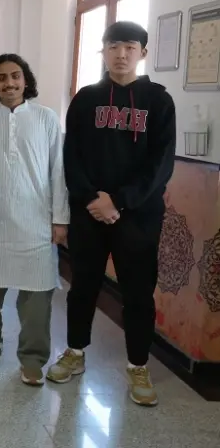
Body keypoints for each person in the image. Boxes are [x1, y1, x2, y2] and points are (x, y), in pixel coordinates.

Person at [49, 21, 176, 407]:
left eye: (130, 47)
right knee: (83, 287)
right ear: (103, 51)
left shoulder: (159, 101)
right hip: (89, 213)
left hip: (137, 216)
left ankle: (138, 365)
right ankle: (75, 351)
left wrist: (119, 201)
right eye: (114, 46)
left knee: (138, 293)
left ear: (143, 53)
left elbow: (161, 164)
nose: (121, 54)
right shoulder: (86, 99)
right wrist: (92, 199)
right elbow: (71, 156)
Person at [0, 54, 69, 386]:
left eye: (15, 76)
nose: (9, 83)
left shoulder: (46, 118)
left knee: (37, 300)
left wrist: (60, 219)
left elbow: (58, 171)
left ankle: (32, 360)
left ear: (26, 80)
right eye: (1, 78)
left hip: (36, 223)